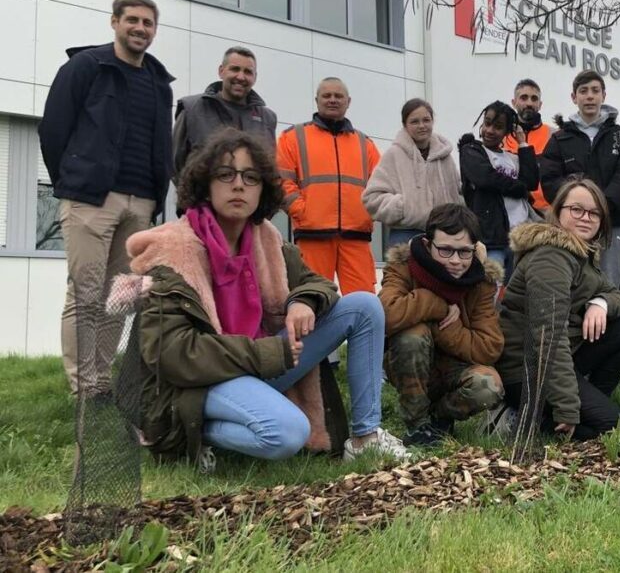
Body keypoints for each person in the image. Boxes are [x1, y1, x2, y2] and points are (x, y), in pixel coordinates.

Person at [120, 129, 408, 468]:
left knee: (363, 306)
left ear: (263, 189)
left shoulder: (267, 241)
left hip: (263, 363)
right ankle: (188, 433)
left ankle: (365, 437)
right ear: (205, 184)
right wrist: (266, 353)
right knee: (287, 433)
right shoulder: (170, 253)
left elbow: (319, 285)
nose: (239, 185)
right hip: (198, 381)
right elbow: (171, 354)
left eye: (251, 177)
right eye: (226, 174)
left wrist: (302, 301)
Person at [39, 0, 175, 395]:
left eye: (148, 23)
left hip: (141, 203)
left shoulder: (158, 82)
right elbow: (53, 130)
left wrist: (156, 195)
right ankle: (85, 389)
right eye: (132, 20)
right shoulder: (86, 66)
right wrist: (74, 182)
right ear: (114, 22)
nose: (140, 28)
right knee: (85, 292)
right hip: (90, 199)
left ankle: (101, 380)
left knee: (119, 297)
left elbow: (160, 144)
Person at [493, 178, 620, 441]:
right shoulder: (550, 258)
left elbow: (618, 297)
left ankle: (585, 402)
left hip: (560, 359)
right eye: (577, 209)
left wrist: (600, 303)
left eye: (594, 212)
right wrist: (567, 408)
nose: (586, 217)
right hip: (526, 370)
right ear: (558, 211)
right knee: (612, 428)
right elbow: (549, 337)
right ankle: (519, 418)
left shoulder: (580, 254)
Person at [379, 204, 505, 447]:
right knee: (412, 335)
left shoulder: (480, 282)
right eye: (445, 250)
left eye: (464, 252)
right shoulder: (404, 266)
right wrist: (439, 305)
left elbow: (489, 347)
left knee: (488, 386)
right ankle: (417, 425)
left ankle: (438, 418)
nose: (456, 261)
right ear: (428, 245)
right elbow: (387, 314)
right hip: (408, 365)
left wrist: (443, 325)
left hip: (455, 370)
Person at [277, 77, 381, 295]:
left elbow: (380, 186)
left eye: (338, 96)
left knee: (364, 302)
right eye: (327, 95)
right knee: (312, 298)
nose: (332, 100)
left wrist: (366, 214)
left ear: (348, 101)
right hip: (312, 234)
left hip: (356, 236)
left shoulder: (366, 145)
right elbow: (281, 181)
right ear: (317, 100)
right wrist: (302, 212)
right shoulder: (293, 137)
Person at [539, 70, 620, 286]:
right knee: (570, 282)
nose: (589, 96)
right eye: (583, 91)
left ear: (603, 95)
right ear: (574, 97)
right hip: (570, 227)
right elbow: (550, 180)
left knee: (608, 284)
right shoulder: (559, 138)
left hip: (611, 225)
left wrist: (600, 207)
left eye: (595, 90)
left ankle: (605, 320)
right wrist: (578, 208)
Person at [364, 98, 463, 247]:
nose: (422, 126)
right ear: (405, 125)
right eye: (414, 121)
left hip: (444, 237)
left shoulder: (445, 157)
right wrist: (404, 208)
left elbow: (458, 194)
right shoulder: (393, 155)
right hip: (405, 236)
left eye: (426, 120)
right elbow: (371, 198)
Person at [458, 101, 539, 279]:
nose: (490, 130)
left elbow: (532, 181)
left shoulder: (512, 157)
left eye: (498, 127)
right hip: (491, 238)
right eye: (487, 123)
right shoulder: (471, 150)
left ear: (507, 131)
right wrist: (520, 188)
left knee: (514, 294)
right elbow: (485, 178)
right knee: (489, 291)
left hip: (520, 237)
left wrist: (523, 143)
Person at [173, 46, 277, 176]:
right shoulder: (191, 109)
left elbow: (270, 168)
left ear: (255, 77)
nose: (240, 77)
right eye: (235, 69)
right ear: (221, 71)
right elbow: (174, 164)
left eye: (248, 72)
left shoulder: (267, 119)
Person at [504, 78, 554, 212]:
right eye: (524, 98)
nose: (529, 103)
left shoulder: (554, 135)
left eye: (534, 99)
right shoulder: (502, 137)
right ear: (514, 102)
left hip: (546, 213)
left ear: (540, 104)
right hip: (512, 210)